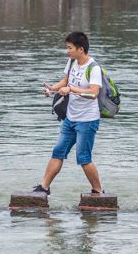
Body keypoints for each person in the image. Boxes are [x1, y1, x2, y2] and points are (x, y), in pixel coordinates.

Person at [34, 31, 104, 196]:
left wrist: (71, 89)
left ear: (81, 49)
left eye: (69, 47)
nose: (67, 51)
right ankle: (43, 187)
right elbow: (65, 82)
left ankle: (98, 191)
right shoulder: (72, 62)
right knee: (58, 151)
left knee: (83, 157)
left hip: (87, 120)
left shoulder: (94, 68)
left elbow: (93, 93)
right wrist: (52, 89)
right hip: (70, 118)